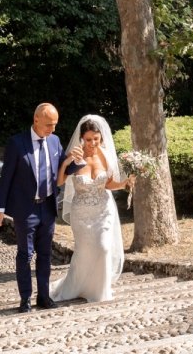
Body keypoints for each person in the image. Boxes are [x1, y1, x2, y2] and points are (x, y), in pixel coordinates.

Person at [49, 115, 133, 303]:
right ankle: (78, 287)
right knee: (84, 251)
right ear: (82, 138)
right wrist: (65, 162)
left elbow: (109, 184)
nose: (93, 143)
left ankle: (99, 291)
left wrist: (125, 184)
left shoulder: (106, 155)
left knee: (103, 247)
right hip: (82, 212)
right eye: (88, 139)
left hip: (104, 209)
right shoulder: (75, 155)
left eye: (96, 139)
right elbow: (60, 181)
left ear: (101, 137)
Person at [0, 103, 67, 313]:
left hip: (48, 207)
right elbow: (6, 177)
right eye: (48, 125)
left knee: (45, 254)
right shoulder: (17, 143)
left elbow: (64, 166)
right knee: (25, 255)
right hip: (26, 210)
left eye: (55, 125)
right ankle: (25, 298)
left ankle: (44, 297)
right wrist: (0, 209)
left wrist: (83, 157)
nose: (52, 129)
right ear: (36, 120)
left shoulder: (55, 141)